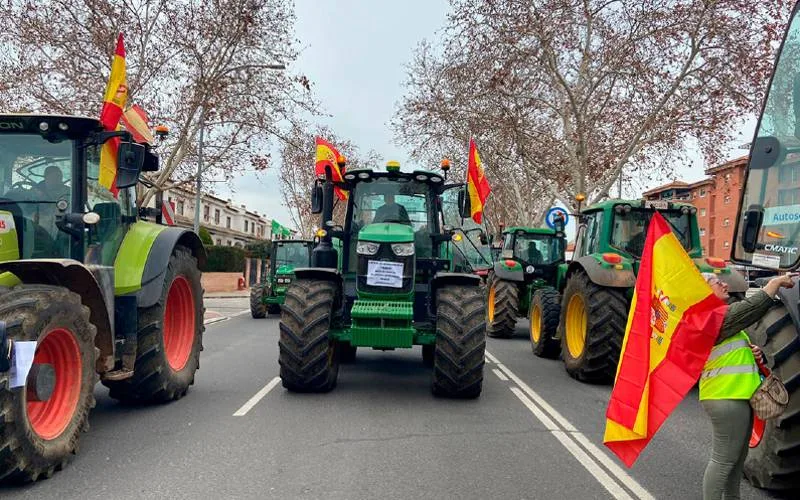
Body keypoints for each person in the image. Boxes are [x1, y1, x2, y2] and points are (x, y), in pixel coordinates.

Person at [699, 272, 795, 500]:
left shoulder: (721, 320)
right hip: (725, 397)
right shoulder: (712, 317)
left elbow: (732, 357)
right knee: (723, 461)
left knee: (736, 460)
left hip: (736, 395)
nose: (724, 283)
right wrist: (774, 284)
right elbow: (752, 306)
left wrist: (757, 355)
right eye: (716, 281)